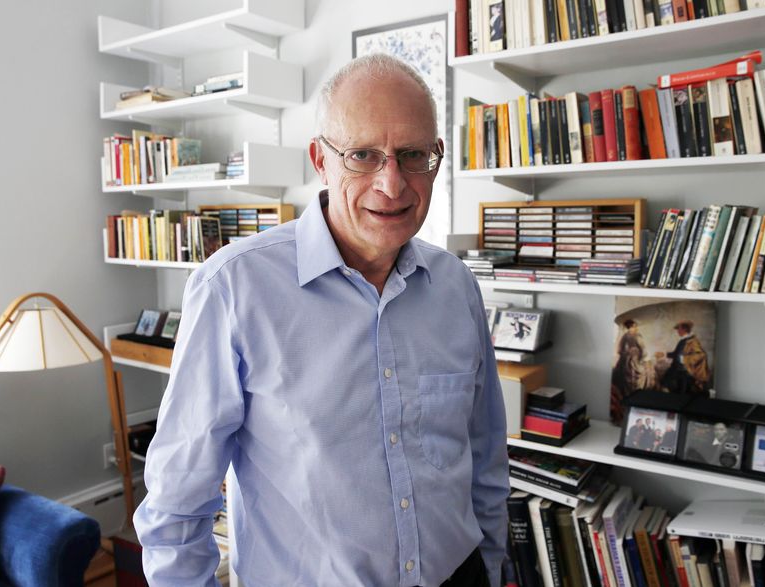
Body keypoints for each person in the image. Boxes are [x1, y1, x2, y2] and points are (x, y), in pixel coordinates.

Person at [133, 54, 509, 587]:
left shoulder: (456, 286)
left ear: (437, 158)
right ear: (321, 159)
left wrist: (491, 567)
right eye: (363, 155)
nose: (392, 183)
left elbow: (483, 454)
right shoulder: (234, 289)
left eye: (413, 155)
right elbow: (175, 506)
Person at [661, 320, 711, 395]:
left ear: (684, 329)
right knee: (665, 384)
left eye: (679, 328)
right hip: (675, 369)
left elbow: (701, 355)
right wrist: (664, 354)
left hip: (685, 372)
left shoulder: (693, 341)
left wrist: (684, 359)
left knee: (682, 393)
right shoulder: (682, 340)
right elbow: (677, 354)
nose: (677, 331)